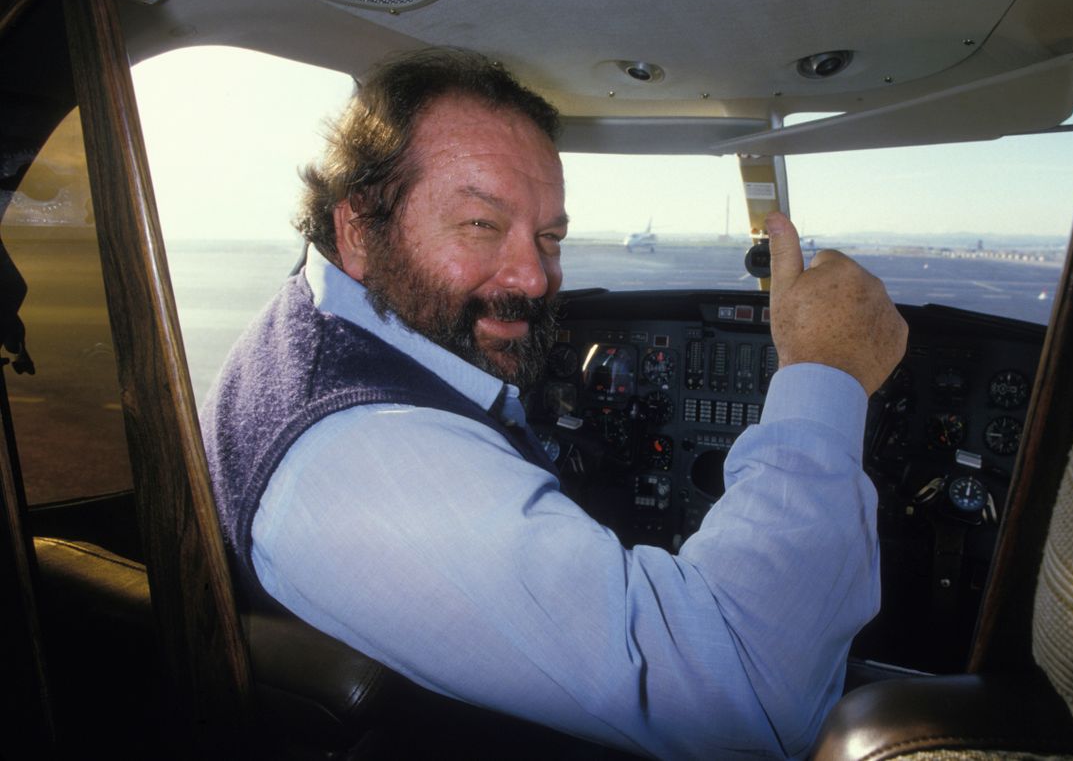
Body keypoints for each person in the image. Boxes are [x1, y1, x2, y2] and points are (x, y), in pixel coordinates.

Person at [201, 48, 908, 759]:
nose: (534, 278)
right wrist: (826, 369)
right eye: (481, 224)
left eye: (549, 236)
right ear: (358, 228)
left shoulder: (308, 337)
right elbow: (750, 689)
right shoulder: (364, 458)